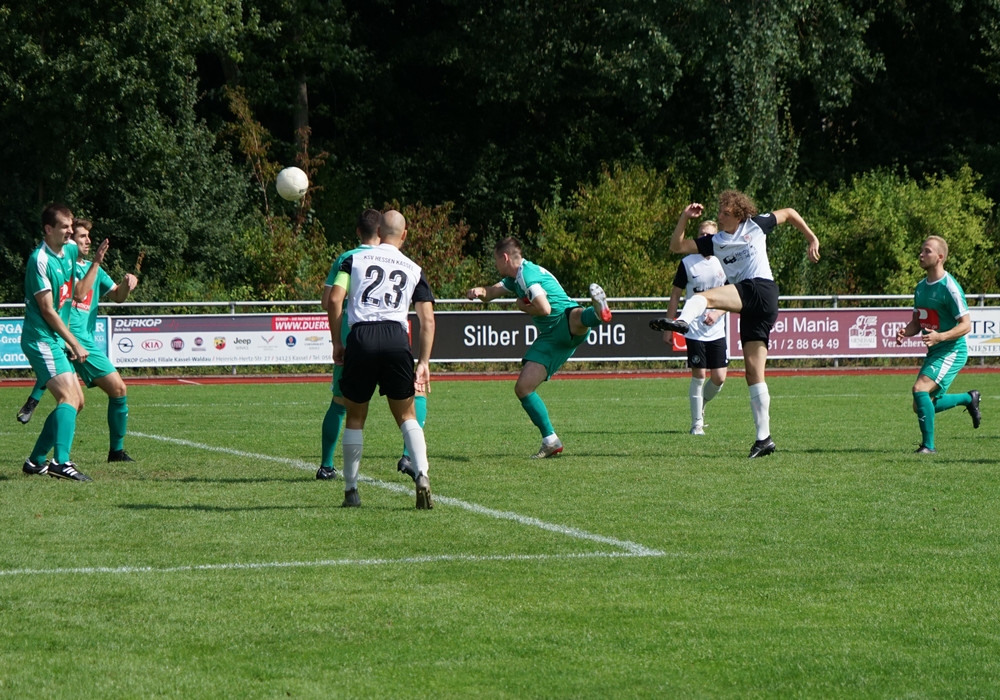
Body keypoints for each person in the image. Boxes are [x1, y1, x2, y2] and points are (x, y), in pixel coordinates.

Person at [651, 191, 820, 458]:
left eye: (725, 213)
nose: (719, 216)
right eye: (720, 211)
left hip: (761, 289)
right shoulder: (715, 241)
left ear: (739, 215)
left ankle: (682, 321)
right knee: (753, 373)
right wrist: (684, 217)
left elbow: (789, 213)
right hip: (753, 306)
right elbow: (677, 246)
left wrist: (811, 237)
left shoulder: (756, 224)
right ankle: (764, 439)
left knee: (703, 298)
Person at [328, 210, 436, 509]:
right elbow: (427, 320)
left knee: (355, 417)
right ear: (404, 235)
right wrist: (424, 362)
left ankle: (351, 490)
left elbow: (335, 299)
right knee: (407, 415)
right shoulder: (414, 268)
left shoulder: (353, 260)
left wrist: (337, 342)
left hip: (361, 337)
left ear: (378, 232)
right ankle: (422, 474)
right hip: (395, 338)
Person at [466, 237, 613, 458]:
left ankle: (597, 314)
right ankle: (550, 440)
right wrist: (478, 291)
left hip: (561, 322)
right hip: (555, 336)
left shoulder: (527, 277)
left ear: (505, 258)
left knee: (574, 315)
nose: (495, 265)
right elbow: (492, 292)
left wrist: (523, 308)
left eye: (496, 260)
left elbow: (544, 309)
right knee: (523, 388)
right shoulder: (516, 278)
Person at [18, 219, 138, 463]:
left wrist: (127, 285)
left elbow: (118, 297)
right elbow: (80, 293)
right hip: (74, 339)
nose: (87, 241)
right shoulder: (66, 265)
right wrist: (96, 262)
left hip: (78, 340)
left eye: (87, 236)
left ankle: (37, 455)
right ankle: (65, 460)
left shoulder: (93, 270)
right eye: (82, 236)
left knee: (76, 402)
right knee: (100, 393)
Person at [19, 204, 104, 481]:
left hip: (55, 337)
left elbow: (76, 294)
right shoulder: (39, 260)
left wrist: (95, 261)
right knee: (69, 397)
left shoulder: (68, 251)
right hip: (40, 338)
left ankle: (35, 461)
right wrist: (74, 342)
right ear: (48, 229)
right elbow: (47, 310)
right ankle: (61, 462)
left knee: (77, 402)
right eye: (65, 227)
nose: (71, 231)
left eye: (71, 226)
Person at [895, 236, 980, 454]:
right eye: (921, 250)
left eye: (927, 251)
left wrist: (940, 337)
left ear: (940, 257)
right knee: (919, 405)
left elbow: (966, 325)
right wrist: (905, 331)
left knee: (919, 389)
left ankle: (928, 446)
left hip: (952, 350)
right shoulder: (920, 288)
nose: (921, 255)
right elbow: (917, 323)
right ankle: (968, 398)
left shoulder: (950, 287)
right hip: (935, 351)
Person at [317, 209, 383, 481]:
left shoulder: (346, 258)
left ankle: (326, 466)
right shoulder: (394, 258)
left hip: (353, 336)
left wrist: (337, 340)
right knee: (407, 403)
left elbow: (328, 301)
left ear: (358, 232)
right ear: (382, 231)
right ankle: (410, 459)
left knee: (340, 403)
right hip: (391, 335)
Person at [662, 219, 728, 435]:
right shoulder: (687, 263)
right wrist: (669, 327)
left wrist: (717, 313)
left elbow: (732, 295)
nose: (705, 238)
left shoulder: (724, 260)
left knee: (719, 378)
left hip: (717, 329)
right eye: (702, 234)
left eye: (709, 235)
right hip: (694, 329)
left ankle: (701, 405)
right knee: (699, 375)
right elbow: (675, 295)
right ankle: (696, 424)